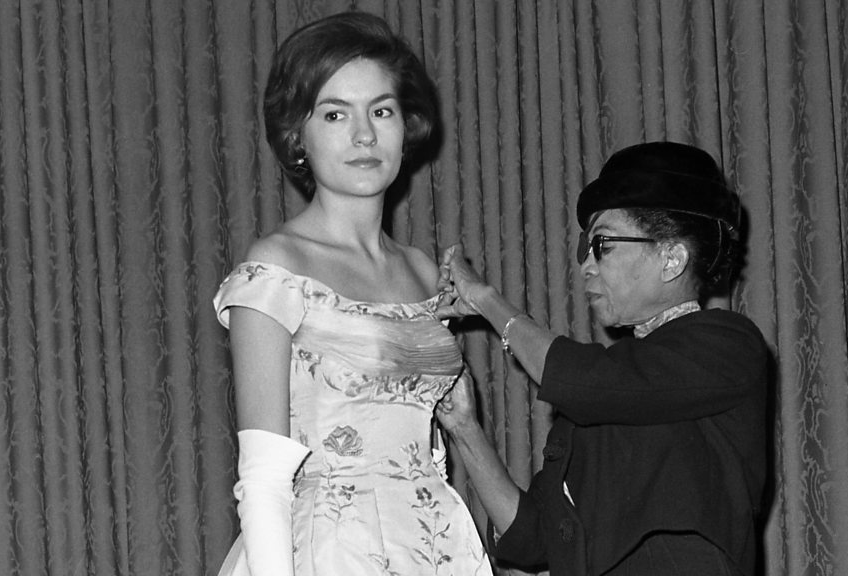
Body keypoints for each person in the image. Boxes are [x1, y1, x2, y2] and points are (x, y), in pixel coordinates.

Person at [212, 11, 492, 576]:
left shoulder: (421, 270)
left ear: (406, 126)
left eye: (381, 111)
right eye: (335, 114)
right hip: (327, 550)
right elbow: (264, 476)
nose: (364, 135)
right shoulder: (277, 267)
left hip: (435, 543)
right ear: (298, 135)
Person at [434, 141, 769, 575]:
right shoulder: (606, 389)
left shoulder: (727, 343)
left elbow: (585, 381)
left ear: (672, 259)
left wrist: (487, 300)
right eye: (586, 249)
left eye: (603, 245)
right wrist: (464, 427)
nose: (586, 267)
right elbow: (533, 537)